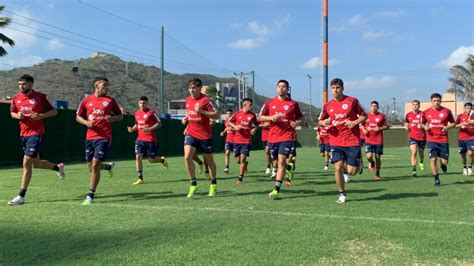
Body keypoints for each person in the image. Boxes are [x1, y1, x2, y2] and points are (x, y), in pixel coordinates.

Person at [7, 74, 65, 206]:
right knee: (36, 164)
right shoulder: (16, 98)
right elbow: (12, 113)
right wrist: (17, 115)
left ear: (31, 84)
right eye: (20, 84)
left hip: (36, 133)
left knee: (26, 162)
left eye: (24, 84)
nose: (22, 86)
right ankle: (57, 168)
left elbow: (54, 112)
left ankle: (21, 196)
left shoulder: (40, 97)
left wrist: (41, 116)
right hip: (23, 134)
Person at [318, 78, 367, 204]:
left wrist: (354, 122)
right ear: (330, 90)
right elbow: (320, 121)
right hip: (335, 140)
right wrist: (325, 122)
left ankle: (359, 163)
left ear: (343, 88)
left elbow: (364, 115)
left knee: (352, 171)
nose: (336, 90)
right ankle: (342, 194)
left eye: (338, 88)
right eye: (333, 88)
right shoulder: (327, 106)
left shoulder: (352, 101)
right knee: (337, 167)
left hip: (352, 140)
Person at [76, 77, 123, 205]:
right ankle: (107, 167)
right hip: (89, 137)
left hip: (104, 137)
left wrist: (112, 119)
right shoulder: (86, 101)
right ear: (96, 87)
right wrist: (86, 123)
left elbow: (120, 116)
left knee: (96, 164)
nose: (107, 88)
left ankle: (90, 195)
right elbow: (78, 117)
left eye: (107, 85)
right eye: (104, 85)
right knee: (91, 168)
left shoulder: (110, 101)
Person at [260, 80, 303, 200]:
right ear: (276, 88)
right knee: (275, 163)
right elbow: (261, 117)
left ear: (287, 89)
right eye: (279, 86)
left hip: (287, 136)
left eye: (284, 87)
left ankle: (276, 189)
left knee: (282, 160)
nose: (281, 88)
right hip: (273, 137)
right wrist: (271, 118)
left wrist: (297, 122)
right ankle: (287, 170)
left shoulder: (293, 104)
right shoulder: (269, 102)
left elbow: (300, 117)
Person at [183, 78, 219, 197]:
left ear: (199, 88)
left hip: (204, 135)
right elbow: (189, 113)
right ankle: (193, 184)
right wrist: (186, 119)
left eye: (194, 88)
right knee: (187, 157)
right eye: (190, 88)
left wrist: (202, 111)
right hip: (191, 133)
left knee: (209, 161)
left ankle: (213, 184)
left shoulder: (206, 100)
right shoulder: (188, 100)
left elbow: (216, 115)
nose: (191, 90)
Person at [127, 96, 168, 185]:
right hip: (140, 139)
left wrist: (150, 128)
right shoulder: (137, 113)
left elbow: (159, 123)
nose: (142, 105)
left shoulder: (151, 112)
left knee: (151, 159)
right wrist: (132, 129)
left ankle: (162, 160)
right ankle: (140, 178)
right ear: (138, 103)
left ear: (147, 103)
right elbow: (137, 125)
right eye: (140, 103)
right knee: (138, 157)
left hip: (150, 139)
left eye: (144, 103)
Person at [420, 93, 455, 186]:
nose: (436, 102)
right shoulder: (426, 112)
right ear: (431, 101)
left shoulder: (447, 111)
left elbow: (453, 123)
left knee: (444, 161)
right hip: (431, 140)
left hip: (443, 139)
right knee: (433, 159)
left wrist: (447, 127)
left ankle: (443, 165)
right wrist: (425, 127)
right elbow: (421, 124)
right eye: (434, 101)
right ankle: (436, 179)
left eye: (438, 100)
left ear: (441, 101)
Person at [228, 98, 258, 184]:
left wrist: (254, 129)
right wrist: (235, 127)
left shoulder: (252, 115)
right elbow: (229, 122)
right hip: (237, 140)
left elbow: (257, 125)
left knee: (243, 158)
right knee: (238, 160)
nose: (251, 107)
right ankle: (245, 164)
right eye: (250, 105)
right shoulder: (237, 114)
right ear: (245, 105)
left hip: (246, 140)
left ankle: (240, 178)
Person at [360, 101, 389, 181]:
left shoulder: (382, 116)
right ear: (370, 107)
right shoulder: (366, 115)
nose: (374, 107)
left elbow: (387, 126)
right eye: (372, 106)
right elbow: (361, 124)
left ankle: (377, 173)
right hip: (368, 139)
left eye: (375, 106)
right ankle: (372, 163)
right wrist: (363, 130)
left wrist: (379, 128)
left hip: (378, 140)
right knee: (369, 156)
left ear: (378, 107)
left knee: (378, 158)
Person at [404, 99, 426, 177]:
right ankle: (414, 170)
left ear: (419, 106)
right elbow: (406, 122)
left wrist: (423, 126)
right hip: (412, 136)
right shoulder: (408, 114)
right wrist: (406, 126)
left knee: (421, 153)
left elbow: (427, 124)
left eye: (416, 104)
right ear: (412, 106)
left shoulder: (423, 114)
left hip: (422, 137)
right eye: (413, 104)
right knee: (414, 152)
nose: (415, 106)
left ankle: (421, 161)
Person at [455, 102, 474, 175]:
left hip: (472, 138)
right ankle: (464, 167)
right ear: (464, 108)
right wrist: (461, 124)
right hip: (462, 138)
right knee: (462, 155)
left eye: (470, 108)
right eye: (467, 108)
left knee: (470, 153)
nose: (469, 110)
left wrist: (469, 122)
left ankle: (469, 168)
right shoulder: (460, 116)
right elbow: (454, 125)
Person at [220, 109, 235, 174]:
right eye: (228, 113)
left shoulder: (235, 121)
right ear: (226, 114)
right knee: (227, 153)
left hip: (235, 140)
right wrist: (223, 132)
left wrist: (232, 129)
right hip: (228, 140)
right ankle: (227, 167)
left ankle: (245, 163)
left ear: (232, 114)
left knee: (238, 159)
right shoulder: (226, 121)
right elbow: (226, 127)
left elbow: (238, 128)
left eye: (230, 113)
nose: (229, 114)